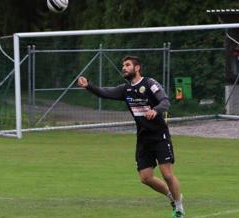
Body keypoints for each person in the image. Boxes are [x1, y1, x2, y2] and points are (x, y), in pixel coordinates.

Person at [77, 56, 185, 218]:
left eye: (127, 65)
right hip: (143, 138)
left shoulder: (150, 84)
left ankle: (178, 207)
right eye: (123, 65)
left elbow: (165, 101)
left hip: (159, 135)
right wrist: (88, 86)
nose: (124, 68)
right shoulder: (125, 90)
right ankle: (172, 196)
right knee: (145, 178)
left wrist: (155, 110)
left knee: (167, 174)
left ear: (137, 68)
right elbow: (104, 93)